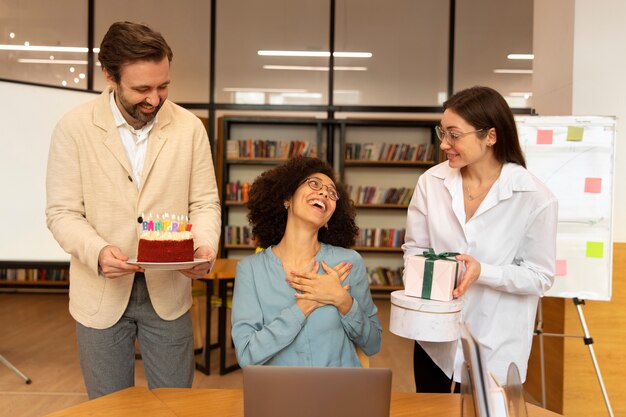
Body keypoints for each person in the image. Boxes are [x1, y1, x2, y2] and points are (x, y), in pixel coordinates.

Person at [45, 21, 221, 399]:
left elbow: (204, 202)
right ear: (109, 76)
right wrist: (97, 252)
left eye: (163, 86)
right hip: (99, 295)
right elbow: (62, 212)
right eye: (142, 88)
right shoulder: (73, 128)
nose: (155, 99)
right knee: (108, 406)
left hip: (170, 294)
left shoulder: (190, 128)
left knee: (177, 405)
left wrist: (205, 246)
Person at [402, 86, 558, 392]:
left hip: (496, 344)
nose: (445, 144)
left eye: (454, 134)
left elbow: (540, 276)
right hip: (435, 337)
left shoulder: (535, 197)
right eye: (441, 132)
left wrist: (482, 271)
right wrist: (421, 279)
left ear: (490, 136)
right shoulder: (431, 182)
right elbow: (416, 248)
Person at [231, 156, 382, 367]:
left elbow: (373, 343)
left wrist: (342, 300)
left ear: (330, 218)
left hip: (340, 392)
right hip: (283, 394)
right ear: (287, 199)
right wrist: (305, 305)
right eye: (314, 184)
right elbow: (247, 355)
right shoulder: (250, 270)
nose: (324, 193)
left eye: (332, 193)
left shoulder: (348, 262)